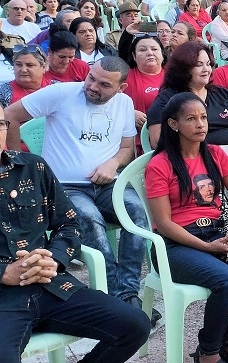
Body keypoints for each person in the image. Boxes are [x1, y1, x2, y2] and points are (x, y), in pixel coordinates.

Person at [4, 56, 157, 323]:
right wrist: (16, 163)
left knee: (137, 214)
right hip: (66, 187)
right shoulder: (61, 93)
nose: (93, 86)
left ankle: (127, 292)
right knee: (90, 220)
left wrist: (112, 164)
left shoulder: (124, 103)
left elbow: (126, 149)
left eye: (104, 85)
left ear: (120, 88)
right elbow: (11, 116)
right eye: (91, 78)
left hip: (108, 183)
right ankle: (114, 293)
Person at [0, 105, 151, 362]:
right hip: (4, 300)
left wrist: (54, 259)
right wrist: (4, 273)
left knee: (134, 324)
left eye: (0, 124)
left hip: (51, 285)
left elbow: (68, 224)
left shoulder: (32, 168)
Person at [145, 92, 228, 363]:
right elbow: (165, 224)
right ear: (173, 124)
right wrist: (205, 247)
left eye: (203, 117)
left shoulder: (215, 154)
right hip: (176, 246)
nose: (201, 124)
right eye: (191, 119)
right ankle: (209, 353)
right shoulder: (160, 164)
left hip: (216, 234)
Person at [148, 41, 228, 246]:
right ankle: (220, 248)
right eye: (199, 64)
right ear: (183, 67)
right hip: (195, 165)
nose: (206, 69)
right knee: (217, 205)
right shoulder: (169, 99)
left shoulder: (222, 95)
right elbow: (156, 140)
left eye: (209, 63)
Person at [123, 33, 165, 146]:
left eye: (154, 49)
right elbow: (108, 105)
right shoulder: (123, 78)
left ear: (162, 53)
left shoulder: (175, 76)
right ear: (134, 55)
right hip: (134, 142)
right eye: (142, 50)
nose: (150, 53)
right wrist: (129, 113)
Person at [0, 44, 50, 111]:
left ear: (43, 67)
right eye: (18, 65)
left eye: (29, 65)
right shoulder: (3, 93)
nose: (23, 70)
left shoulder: (57, 88)